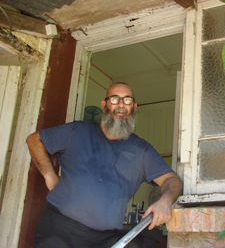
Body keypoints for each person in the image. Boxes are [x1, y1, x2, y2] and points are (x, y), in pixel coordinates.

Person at [26, 82, 183, 248]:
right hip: (58, 229)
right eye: (115, 99)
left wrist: (165, 201)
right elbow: (34, 140)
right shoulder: (77, 131)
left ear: (134, 107)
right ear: (105, 104)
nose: (121, 105)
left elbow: (172, 180)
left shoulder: (142, 151)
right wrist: (50, 176)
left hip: (104, 240)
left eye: (127, 100)